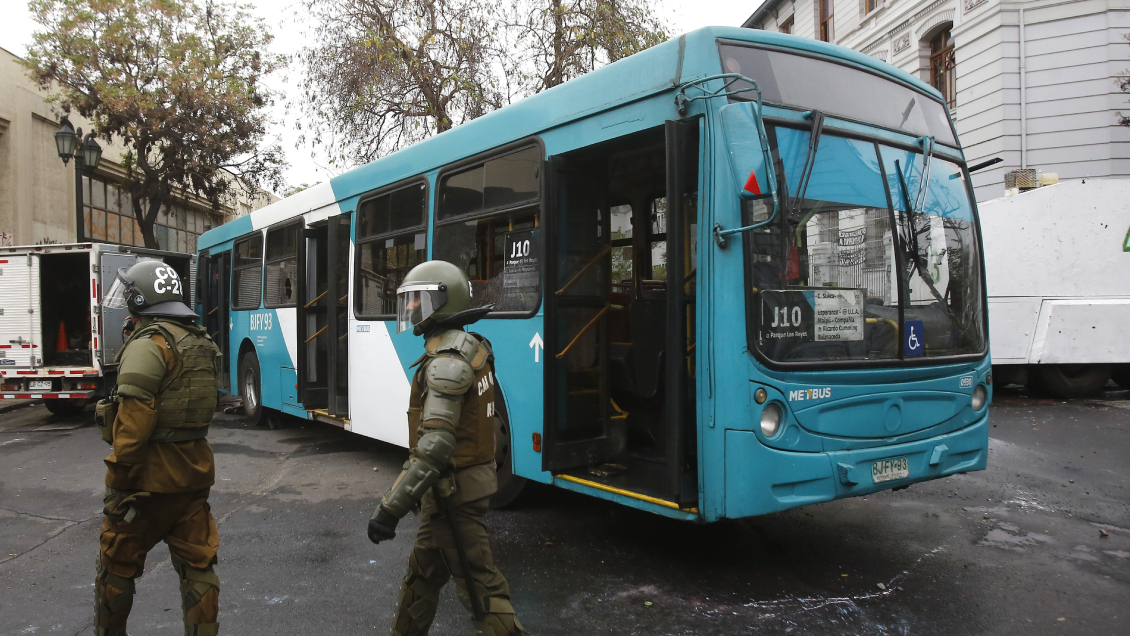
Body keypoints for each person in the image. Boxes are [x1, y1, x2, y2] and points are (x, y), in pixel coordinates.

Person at [367, 260, 525, 636]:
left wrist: (391, 508)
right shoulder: (467, 347)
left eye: (416, 301)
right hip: (448, 492)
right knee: (421, 578)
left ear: (441, 302)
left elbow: (435, 446)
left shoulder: (448, 362)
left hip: (455, 496)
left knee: (482, 590)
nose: (410, 309)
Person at [94, 261, 222, 636]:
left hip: (145, 483)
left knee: (115, 565)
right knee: (199, 567)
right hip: (193, 478)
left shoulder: (150, 344)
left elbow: (134, 421)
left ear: (141, 298)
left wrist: (119, 480)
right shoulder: (199, 340)